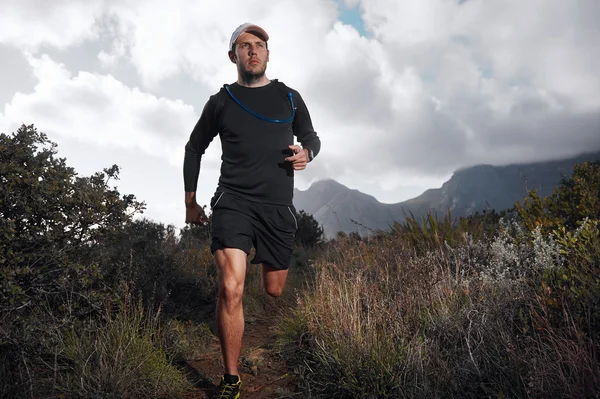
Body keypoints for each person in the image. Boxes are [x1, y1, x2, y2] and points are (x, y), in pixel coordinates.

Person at [182, 22, 321, 399]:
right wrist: (190, 201)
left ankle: (258, 280)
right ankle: (230, 378)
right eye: (245, 46)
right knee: (230, 288)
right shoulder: (222, 101)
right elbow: (194, 147)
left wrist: (308, 151)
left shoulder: (289, 97)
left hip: (277, 208)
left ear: (268, 54)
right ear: (234, 56)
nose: (253, 51)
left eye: (259, 45)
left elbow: (310, 136)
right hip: (233, 202)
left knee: (274, 291)